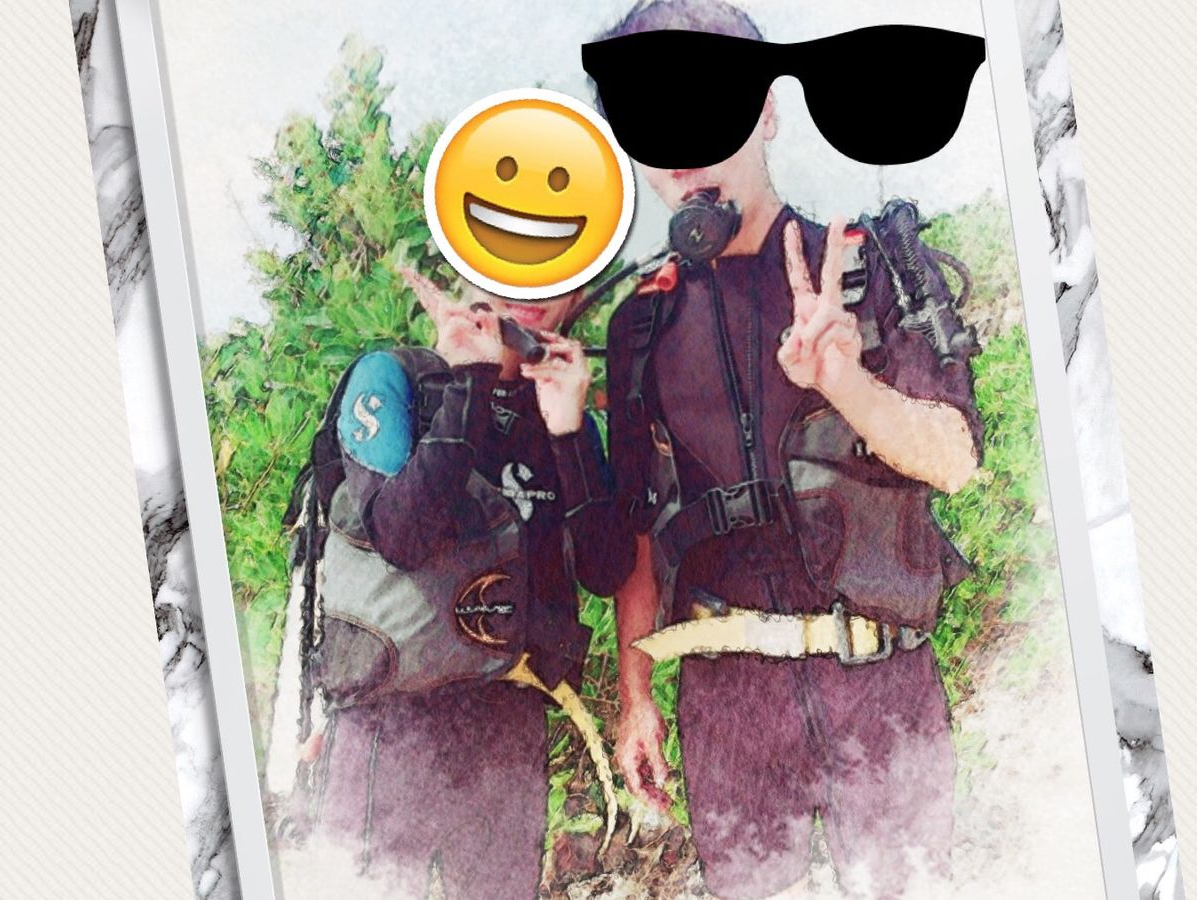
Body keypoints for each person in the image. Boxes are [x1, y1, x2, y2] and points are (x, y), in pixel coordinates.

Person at [597, 2, 983, 897]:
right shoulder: (640, 324)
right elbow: (641, 530)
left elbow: (955, 458)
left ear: (766, 109)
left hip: (881, 688)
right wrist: (636, 696)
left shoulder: (869, 264)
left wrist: (845, 381)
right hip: (729, 710)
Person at [272, 272, 635, 898]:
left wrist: (570, 434)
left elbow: (605, 571)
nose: (531, 285)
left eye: (557, 271)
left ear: (578, 296)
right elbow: (402, 534)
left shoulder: (561, 407)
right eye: (506, 262)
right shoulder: (393, 380)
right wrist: (466, 383)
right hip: (389, 723)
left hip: (508, 726)